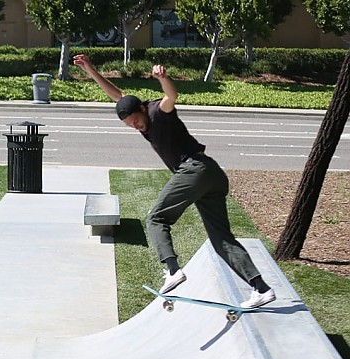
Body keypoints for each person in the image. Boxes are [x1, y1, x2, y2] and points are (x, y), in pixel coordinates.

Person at [72, 54, 275, 309]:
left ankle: (172, 270)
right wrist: (90, 68)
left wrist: (163, 78)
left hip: (194, 170)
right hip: (211, 175)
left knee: (156, 217)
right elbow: (117, 96)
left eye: (135, 121)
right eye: (129, 125)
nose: (135, 127)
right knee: (221, 239)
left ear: (142, 108)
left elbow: (171, 97)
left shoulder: (158, 111)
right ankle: (261, 289)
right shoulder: (136, 112)